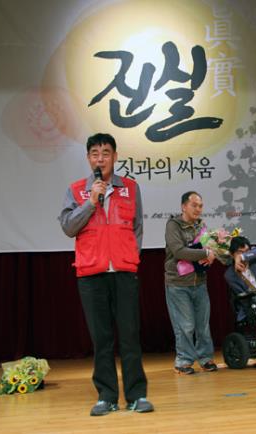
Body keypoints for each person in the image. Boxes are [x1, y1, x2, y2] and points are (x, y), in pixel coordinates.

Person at [59, 133, 153, 416]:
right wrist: (91, 201)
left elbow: (137, 227)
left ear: (115, 157)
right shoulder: (77, 190)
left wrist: (131, 256)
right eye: (95, 153)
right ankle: (106, 396)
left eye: (106, 153)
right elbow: (68, 227)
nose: (100, 159)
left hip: (124, 271)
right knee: (101, 338)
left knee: (130, 336)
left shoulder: (131, 188)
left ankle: (136, 395)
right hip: (91, 273)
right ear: (89, 158)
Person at [164, 191, 218, 375]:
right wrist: (205, 254)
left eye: (200, 206)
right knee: (185, 325)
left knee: (203, 325)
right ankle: (183, 362)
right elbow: (179, 251)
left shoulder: (201, 225)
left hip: (200, 281)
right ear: (183, 206)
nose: (198, 209)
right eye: (194, 205)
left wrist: (212, 254)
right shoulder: (173, 225)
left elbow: (209, 248)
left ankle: (206, 359)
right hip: (178, 284)